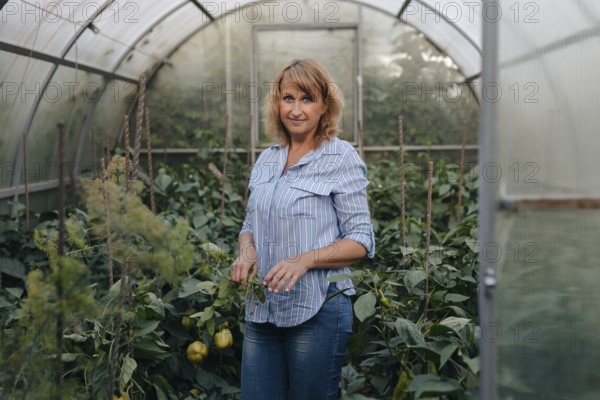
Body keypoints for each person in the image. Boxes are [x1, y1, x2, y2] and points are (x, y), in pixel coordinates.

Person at [230, 59, 375, 400]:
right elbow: (250, 223)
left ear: (325, 105)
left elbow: (361, 240)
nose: (296, 110)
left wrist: (304, 260)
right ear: (276, 103)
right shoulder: (267, 159)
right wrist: (246, 250)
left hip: (318, 308)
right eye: (288, 98)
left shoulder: (340, 157)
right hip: (263, 308)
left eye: (307, 99)